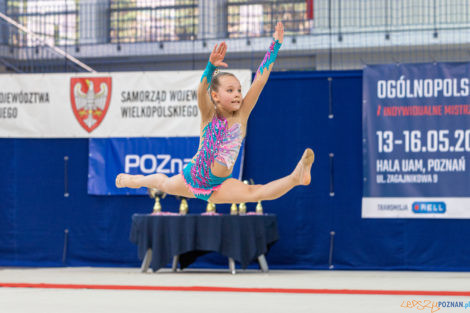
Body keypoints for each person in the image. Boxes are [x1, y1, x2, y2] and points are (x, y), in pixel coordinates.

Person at [115, 22, 314, 204]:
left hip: (217, 187)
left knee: (256, 192)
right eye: (230, 91)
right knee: (164, 184)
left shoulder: (241, 115)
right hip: (191, 178)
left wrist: (275, 45)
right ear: (216, 96)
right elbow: (201, 91)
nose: (237, 95)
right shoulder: (209, 115)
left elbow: (260, 80)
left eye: (238, 90)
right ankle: (134, 180)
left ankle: (295, 177)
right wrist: (210, 67)